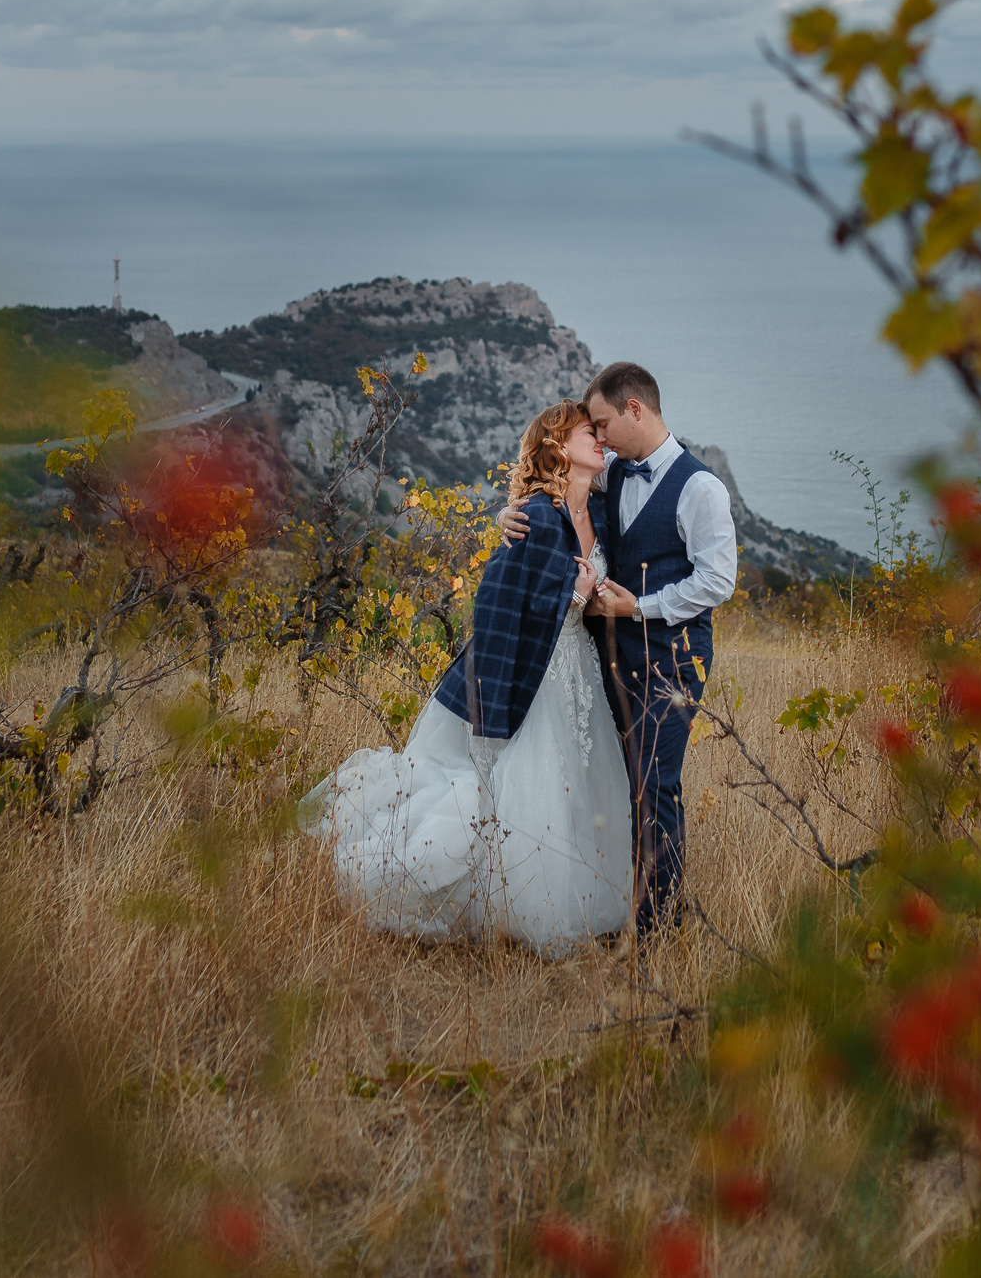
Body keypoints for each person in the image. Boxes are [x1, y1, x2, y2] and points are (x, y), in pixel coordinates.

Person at [303, 400, 633, 955]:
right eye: (587, 432)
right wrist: (575, 596)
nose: (600, 439)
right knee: (533, 786)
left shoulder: (596, 510)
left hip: (580, 670)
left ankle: (587, 902)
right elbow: (501, 603)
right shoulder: (536, 516)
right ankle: (525, 909)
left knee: (581, 781)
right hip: (534, 674)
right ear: (557, 446)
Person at [500, 361, 737, 934]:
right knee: (613, 780)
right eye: (594, 430)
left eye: (604, 424)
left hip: (673, 659)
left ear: (635, 409)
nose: (599, 437)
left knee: (655, 782)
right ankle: (611, 904)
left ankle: (658, 924)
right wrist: (509, 513)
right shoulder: (612, 473)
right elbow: (557, 488)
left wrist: (640, 607)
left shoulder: (700, 488)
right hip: (606, 659)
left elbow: (717, 581)